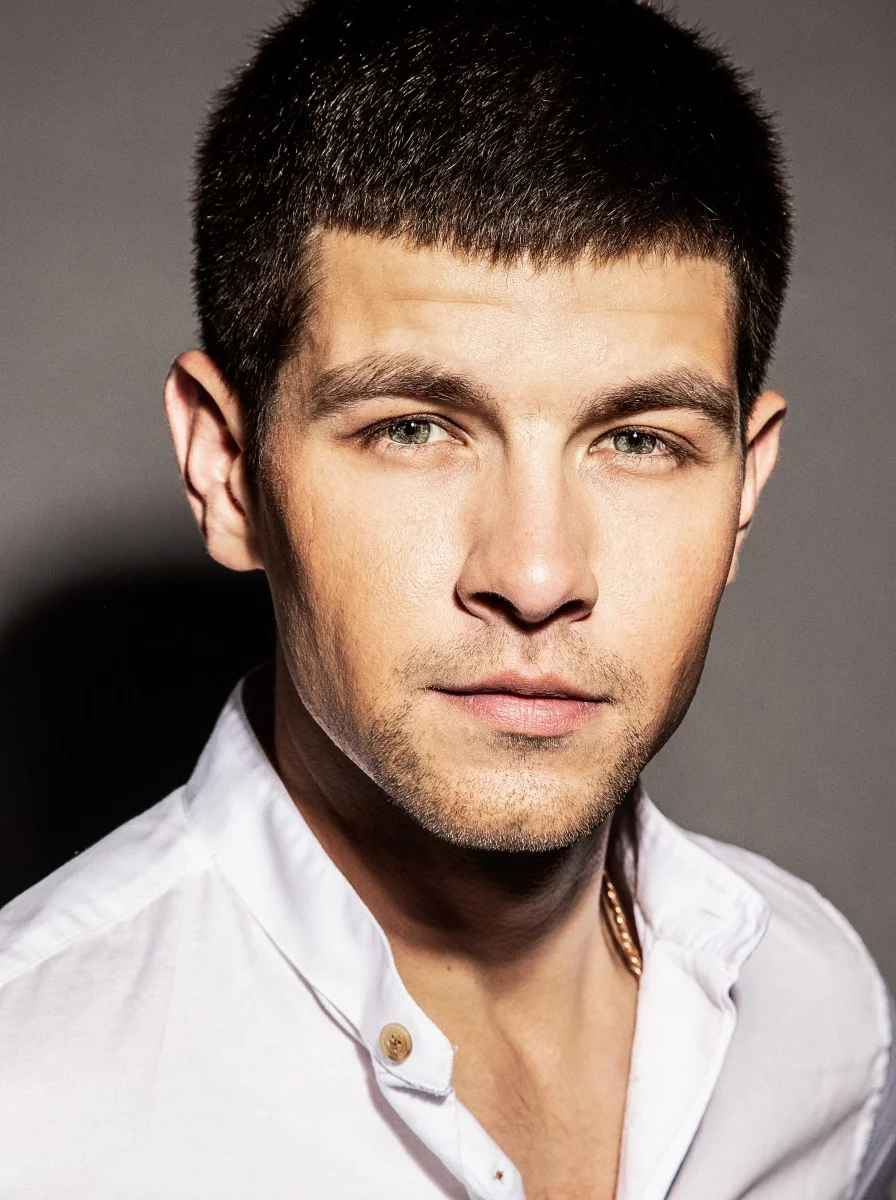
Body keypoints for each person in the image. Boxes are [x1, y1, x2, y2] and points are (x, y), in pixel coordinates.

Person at [0, 1, 893, 1196]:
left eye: (637, 441)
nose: (535, 576)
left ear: (743, 487)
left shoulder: (817, 1011)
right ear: (225, 467)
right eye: (412, 428)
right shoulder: (29, 1106)